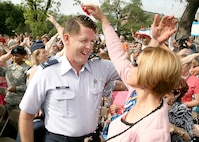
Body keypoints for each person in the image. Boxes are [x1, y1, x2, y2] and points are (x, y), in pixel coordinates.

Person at [83, 4, 181, 141]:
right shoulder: (137, 94)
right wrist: (104, 20)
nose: (130, 66)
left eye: (136, 64)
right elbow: (117, 55)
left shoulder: (155, 131)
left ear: (148, 78)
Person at [18, 14, 120, 142]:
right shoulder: (47, 72)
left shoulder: (101, 67)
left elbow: (135, 71)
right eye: (84, 41)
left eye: (92, 41)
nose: (89, 47)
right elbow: (26, 116)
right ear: (66, 38)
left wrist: (105, 21)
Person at [0, 46, 30, 113]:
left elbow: (30, 86)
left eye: (17, 56)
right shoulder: (10, 67)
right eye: (13, 56)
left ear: (23, 56)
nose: (14, 58)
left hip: (21, 101)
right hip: (9, 100)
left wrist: (16, 88)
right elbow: (2, 73)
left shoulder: (28, 69)